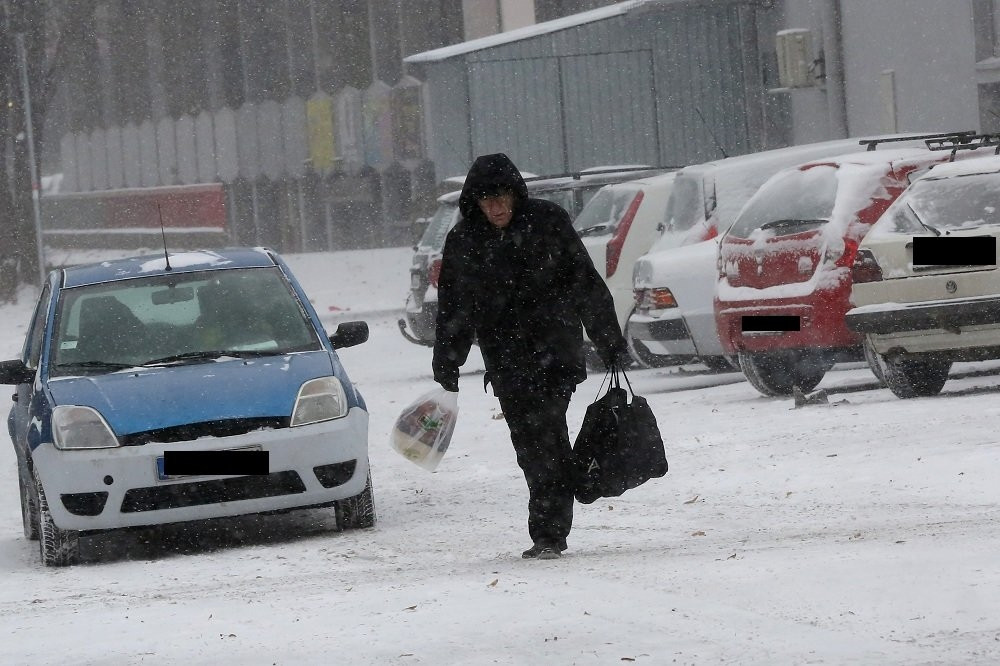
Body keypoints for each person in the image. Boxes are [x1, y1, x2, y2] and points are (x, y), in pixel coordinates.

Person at [432, 153, 628, 560]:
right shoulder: (465, 241)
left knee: (545, 437)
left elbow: (584, 283)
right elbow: (454, 308)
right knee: (531, 446)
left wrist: (608, 338)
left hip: (554, 354)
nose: (497, 208)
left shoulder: (548, 223)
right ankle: (571, 485)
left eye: (502, 197)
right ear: (475, 203)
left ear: (515, 194)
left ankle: (549, 532)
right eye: (487, 201)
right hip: (505, 362)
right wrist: (448, 362)